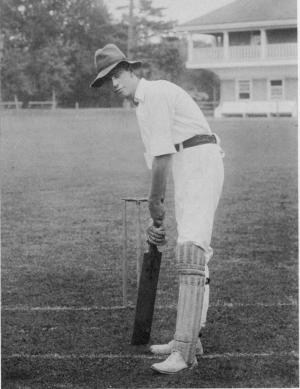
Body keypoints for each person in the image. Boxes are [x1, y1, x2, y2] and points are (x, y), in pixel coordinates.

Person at [91, 44, 224, 374]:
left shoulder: (157, 94)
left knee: (191, 250)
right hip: (188, 163)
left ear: (132, 70)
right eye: (109, 80)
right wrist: (157, 213)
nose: (116, 83)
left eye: (118, 74)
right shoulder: (142, 105)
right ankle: (191, 338)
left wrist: (155, 204)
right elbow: (159, 159)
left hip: (198, 159)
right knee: (194, 251)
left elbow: (163, 156)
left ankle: (183, 352)